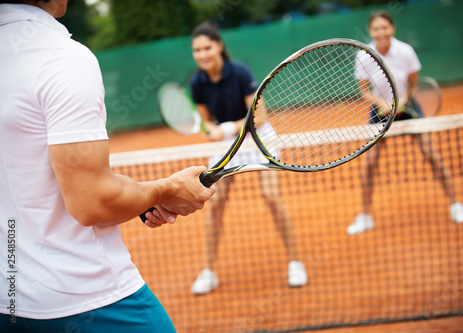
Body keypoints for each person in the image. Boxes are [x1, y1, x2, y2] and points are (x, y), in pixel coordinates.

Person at [0, 1, 215, 331]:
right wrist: (169, 189)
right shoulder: (61, 57)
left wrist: (145, 196)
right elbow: (93, 201)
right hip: (86, 302)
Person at [188, 21, 308, 295]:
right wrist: (210, 131)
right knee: (214, 205)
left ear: (218, 46)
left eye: (207, 47)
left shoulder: (240, 72)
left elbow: (260, 115)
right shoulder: (197, 82)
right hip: (228, 144)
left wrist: (226, 128)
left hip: (258, 136)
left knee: (271, 196)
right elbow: (206, 121)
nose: (202, 54)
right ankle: (208, 271)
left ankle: (295, 262)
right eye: (197, 50)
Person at [346, 10, 463, 235]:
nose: (381, 32)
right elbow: (364, 91)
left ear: (392, 28)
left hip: (408, 107)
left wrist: (402, 100)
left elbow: (414, 83)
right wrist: (382, 103)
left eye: (385, 27)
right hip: (379, 111)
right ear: (370, 31)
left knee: (431, 154)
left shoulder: (405, 51)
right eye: (376, 28)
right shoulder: (364, 55)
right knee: (369, 164)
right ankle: (365, 216)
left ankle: (455, 204)